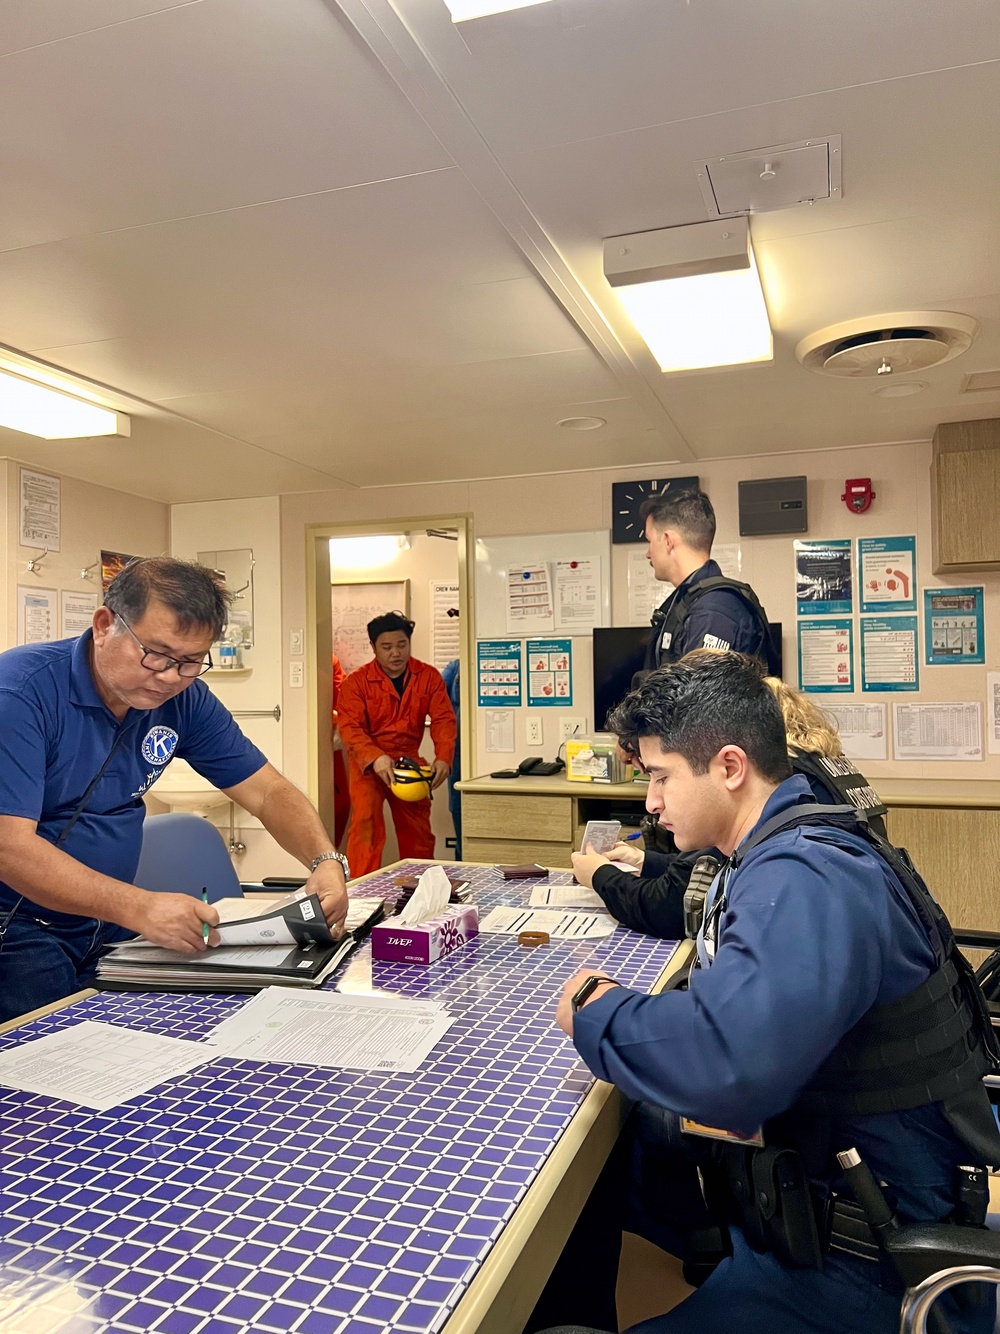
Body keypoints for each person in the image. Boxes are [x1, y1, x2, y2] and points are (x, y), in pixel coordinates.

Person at [547, 652, 1000, 1334]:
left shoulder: (806, 874)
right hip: (833, 1203)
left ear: (730, 767)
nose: (650, 802)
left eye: (662, 777)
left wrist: (596, 1009)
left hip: (861, 1267)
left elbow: (729, 1069)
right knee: (609, 1169)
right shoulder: (791, 846)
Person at [0, 557, 349, 1026]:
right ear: (105, 625)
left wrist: (325, 861)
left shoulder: (182, 698)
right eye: (157, 655)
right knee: (46, 1063)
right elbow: (8, 846)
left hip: (103, 921)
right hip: (18, 927)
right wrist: (139, 905)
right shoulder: (20, 693)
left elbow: (267, 791)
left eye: (189, 662)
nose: (170, 677)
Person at [572, 668, 887, 938]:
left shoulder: (786, 846)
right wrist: (646, 862)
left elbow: (673, 905)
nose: (652, 803)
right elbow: (701, 871)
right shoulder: (815, 771)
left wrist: (601, 876)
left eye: (662, 776)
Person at [337, 612, 456, 877]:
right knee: (365, 823)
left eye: (401, 645)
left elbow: (444, 719)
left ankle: (423, 889)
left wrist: (444, 757)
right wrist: (375, 757)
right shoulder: (356, 683)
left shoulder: (428, 677)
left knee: (418, 830)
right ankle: (360, 894)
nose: (395, 653)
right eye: (387, 647)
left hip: (408, 763)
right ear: (374, 647)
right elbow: (350, 727)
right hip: (367, 765)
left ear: (409, 643)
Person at [639, 489, 777, 676]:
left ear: (668, 541)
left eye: (649, 541)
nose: (648, 553)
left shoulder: (713, 610)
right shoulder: (690, 601)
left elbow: (699, 701)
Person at [331, 653, 351, 846]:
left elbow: (342, 696)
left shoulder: (330, 662)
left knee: (341, 806)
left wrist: (339, 729)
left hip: (329, 743)